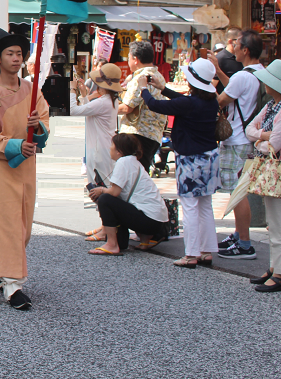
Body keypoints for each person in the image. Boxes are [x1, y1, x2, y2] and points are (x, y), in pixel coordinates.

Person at [0, 28, 49, 310]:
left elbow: (44, 120)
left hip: (27, 168)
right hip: (3, 168)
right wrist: (16, 145)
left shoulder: (32, 90)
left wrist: (37, 127)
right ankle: (13, 284)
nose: (16, 58)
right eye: (10, 53)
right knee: (7, 226)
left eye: (19, 53)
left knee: (23, 226)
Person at [140, 58, 220, 267]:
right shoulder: (210, 101)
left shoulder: (190, 103)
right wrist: (163, 88)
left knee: (190, 206)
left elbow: (155, 105)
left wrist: (144, 90)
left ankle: (191, 253)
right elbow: (182, 102)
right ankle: (206, 250)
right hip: (210, 157)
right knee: (205, 205)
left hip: (190, 159)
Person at [209, 29, 265, 260]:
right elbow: (236, 89)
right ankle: (238, 235)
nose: (233, 46)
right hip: (247, 138)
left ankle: (244, 243)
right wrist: (220, 72)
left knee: (237, 193)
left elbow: (220, 100)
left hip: (236, 139)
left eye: (237, 43)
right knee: (239, 189)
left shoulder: (243, 76)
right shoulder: (258, 72)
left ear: (245, 50)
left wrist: (205, 83)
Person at [87, 134, 169, 256]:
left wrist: (101, 190)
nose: (110, 149)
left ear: (119, 151)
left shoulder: (123, 162)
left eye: (112, 146)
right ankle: (141, 240)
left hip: (149, 220)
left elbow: (114, 193)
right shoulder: (133, 162)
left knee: (105, 199)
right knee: (116, 201)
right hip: (157, 222)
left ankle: (112, 244)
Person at [70, 63, 122, 241]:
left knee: (99, 189)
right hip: (103, 149)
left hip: (99, 151)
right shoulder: (111, 101)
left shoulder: (103, 102)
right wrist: (84, 96)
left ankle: (107, 229)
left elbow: (74, 111)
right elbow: (90, 113)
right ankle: (105, 227)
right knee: (101, 188)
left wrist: (72, 91)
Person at [244, 59, 281, 292]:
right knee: (273, 222)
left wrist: (261, 137)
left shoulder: (275, 109)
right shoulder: (271, 107)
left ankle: (278, 272)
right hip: (270, 171)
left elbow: (273, 145)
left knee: (277, 223)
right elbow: (249, 131)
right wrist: (264, 136)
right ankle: (274, 267)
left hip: (273, 170)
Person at [118, 40, 167, 172]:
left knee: (133, 175)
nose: (128, 61)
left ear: (135, 59)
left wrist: (103, 108)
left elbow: (127, 107)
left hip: (138, 134)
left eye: (128, 57)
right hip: (154, 135)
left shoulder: (140, 78)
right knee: (140, 173)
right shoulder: (159, 76)